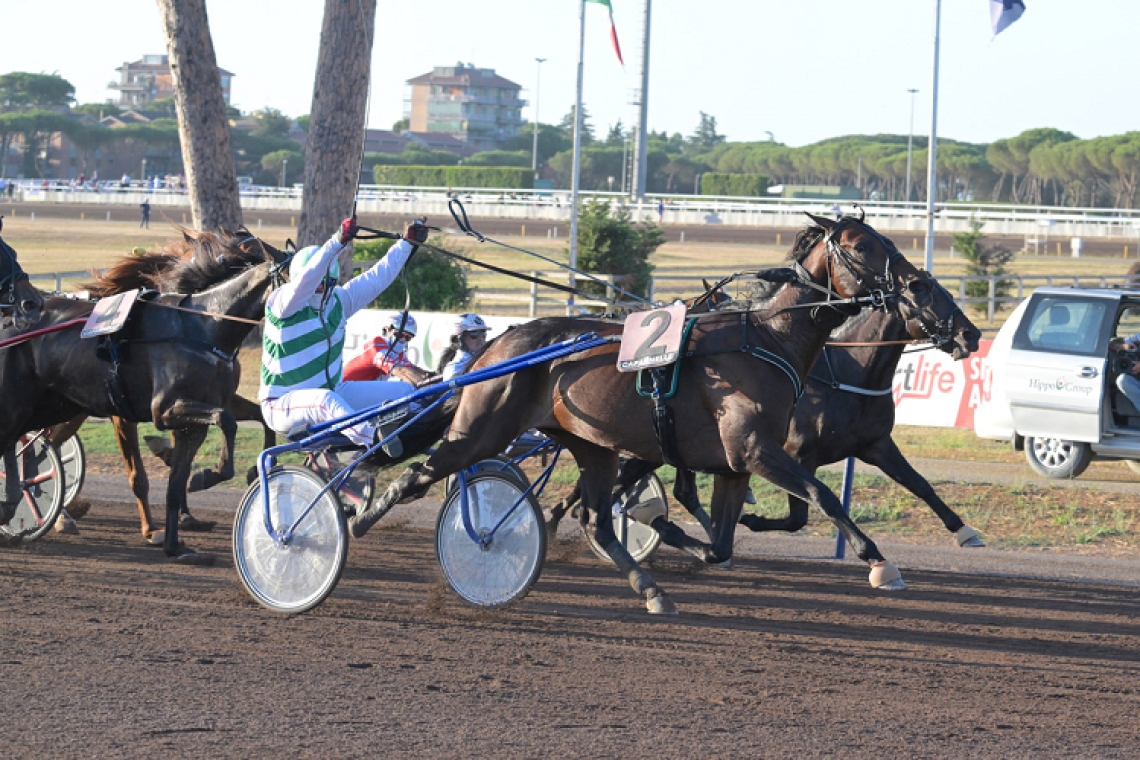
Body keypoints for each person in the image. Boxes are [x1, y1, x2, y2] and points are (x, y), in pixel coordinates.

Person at [259, 215, 430, 456]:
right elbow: (305, 284)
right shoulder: (282, 304)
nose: (318, 287)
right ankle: (374, 437)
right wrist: (337, 241)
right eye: (314, 281)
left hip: (335, 393)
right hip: (282, 404)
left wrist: (406, 244)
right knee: (326, 400)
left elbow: (377, 278)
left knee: (406, 393)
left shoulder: (339, 301)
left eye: (324, 281)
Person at [342, 311, 432, 385]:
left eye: (408, 337)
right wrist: (427, 387)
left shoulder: (399, 354)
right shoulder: (377, 346)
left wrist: (434, 376)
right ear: (387, 330)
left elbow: (414, 370)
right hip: (342, 391)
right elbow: (402, 371)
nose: (403, 340)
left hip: (358, 391)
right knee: (403, 390)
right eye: (400, 334)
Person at [436, 313, 491, 380]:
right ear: (458, 340)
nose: (481, 340)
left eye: (483, 335)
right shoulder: (454, 369)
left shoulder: (489, 359)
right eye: (474, 335)